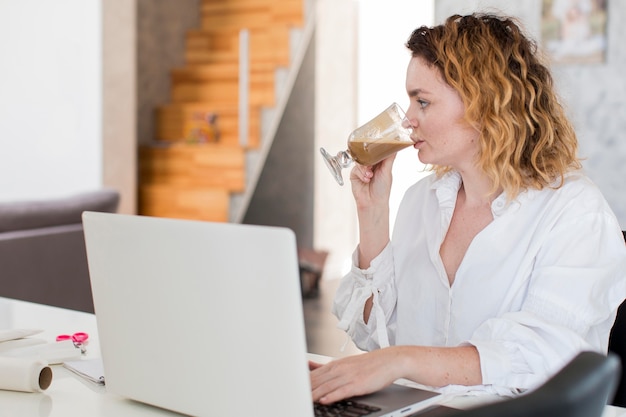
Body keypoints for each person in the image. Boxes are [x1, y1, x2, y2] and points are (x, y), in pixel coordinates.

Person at [310, 13, 626, 405]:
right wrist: (372, 213)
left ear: (484, 105)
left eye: (422, 101)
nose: (407, 120)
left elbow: (544, 356)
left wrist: (401, 360)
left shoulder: (576, 214)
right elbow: (375, 336)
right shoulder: (421, 200)